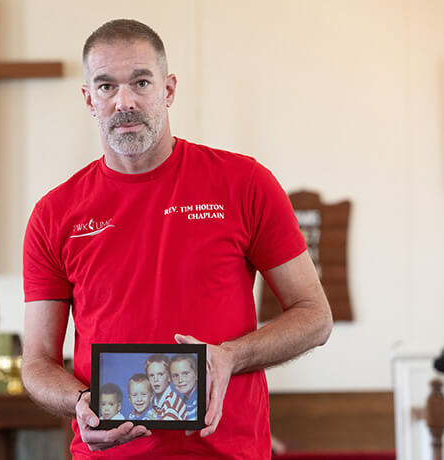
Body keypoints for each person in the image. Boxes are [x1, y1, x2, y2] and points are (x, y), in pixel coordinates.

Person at [22, 18, 332, 459]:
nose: (123, 101)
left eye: (141, 82)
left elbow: (315, 315)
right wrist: (80, 406)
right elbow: (36, 362)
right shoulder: (55, 214)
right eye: (107, 86)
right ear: (89, 98)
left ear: (168, 90)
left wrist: (230, 357)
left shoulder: (244, 183)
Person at [145, 354, 185, 420]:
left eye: (160, 374)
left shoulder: (170, 406)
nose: (156, 379)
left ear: (169, 377)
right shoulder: (155, 401)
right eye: (152, 375)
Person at [170, 354, 198, 421]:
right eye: (175, 375)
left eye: (185, 373)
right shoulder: (182, 404)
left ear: (196, 374)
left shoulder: (200, 402)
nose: (180, 380)